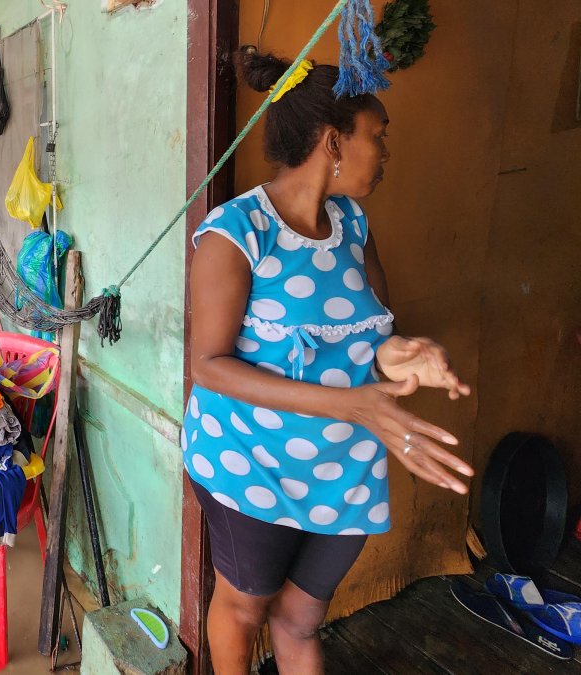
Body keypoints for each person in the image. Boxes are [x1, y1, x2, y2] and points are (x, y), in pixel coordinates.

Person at [184, 47, 474, 674]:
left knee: (300, 620)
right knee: (242, 609)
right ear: (332, 140)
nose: (385, 151)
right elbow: (208, 364)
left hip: (344, 467)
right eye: (378, 135)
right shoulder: (236, 232)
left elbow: (376, 339)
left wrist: (408, 356)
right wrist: (356, 403)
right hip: (252, 462)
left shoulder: (354, 225)